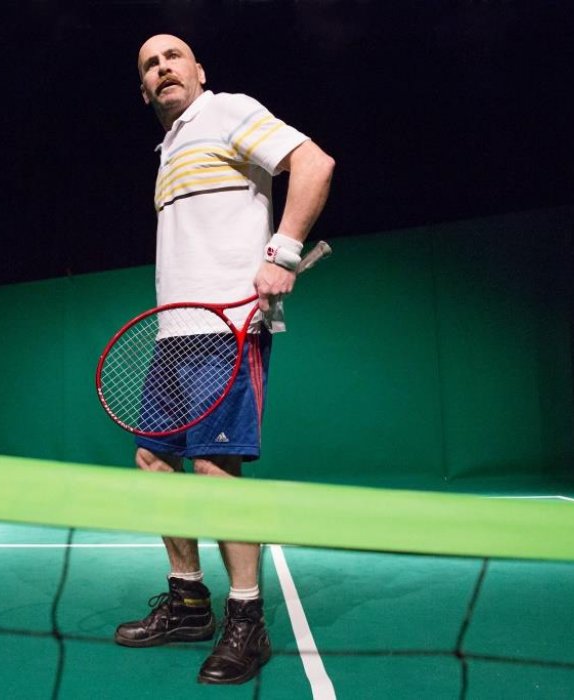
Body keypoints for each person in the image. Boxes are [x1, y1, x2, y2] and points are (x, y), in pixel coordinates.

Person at [114, 34, 335, 685]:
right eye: (149, 65)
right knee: (154, 461)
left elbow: (314, 163)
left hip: (226, 328)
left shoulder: (226, 110)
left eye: (172, 57)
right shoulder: (169, 148)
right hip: (172, 333)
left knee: (214, 467)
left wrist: (282, 254)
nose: (162, 68)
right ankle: (187, 604)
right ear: (143, 90)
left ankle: (247, 620)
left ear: (198, 70)